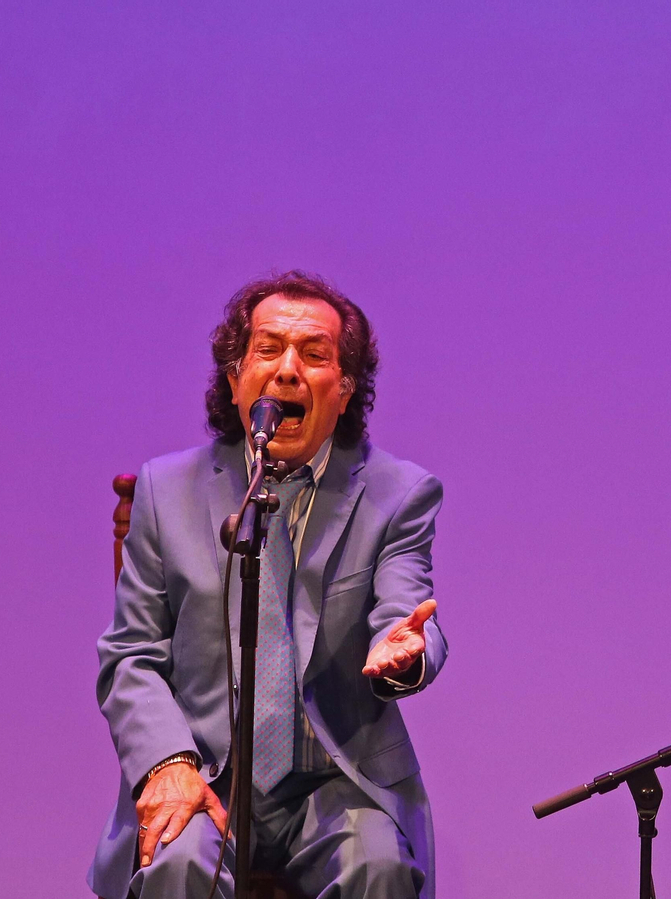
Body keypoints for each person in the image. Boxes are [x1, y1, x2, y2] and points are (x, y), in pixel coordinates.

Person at [89, 272, 446, 899]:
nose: (288, 371)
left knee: (379, 869)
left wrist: (405, 650)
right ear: (234, 381)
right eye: (268, 349)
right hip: (205, 773)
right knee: (177, 868)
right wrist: (169, 763)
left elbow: (404, 605)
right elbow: (131, 655)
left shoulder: (399, 493)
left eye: (314, 355)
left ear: (345, 388)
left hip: (336, 781)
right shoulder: (165, 491)